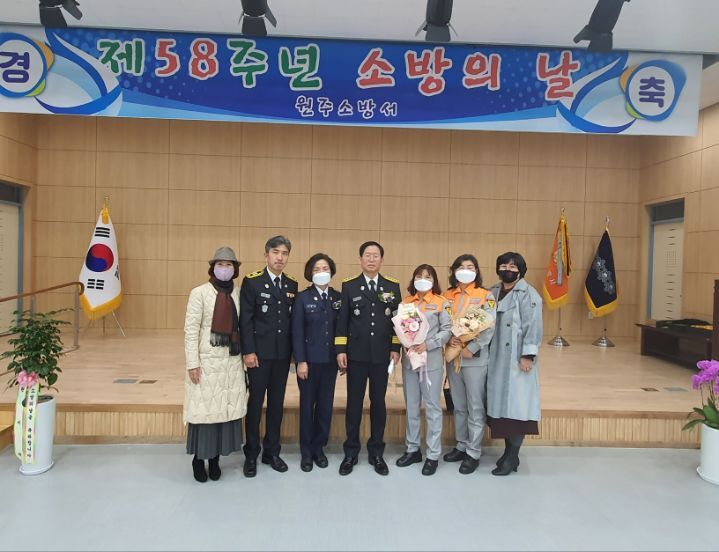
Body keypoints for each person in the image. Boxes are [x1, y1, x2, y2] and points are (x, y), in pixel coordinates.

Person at [335, 241, 401, 476]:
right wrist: (340, 350)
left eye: (376, 256)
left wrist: (395, 347)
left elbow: (397, 321)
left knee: (378, 403)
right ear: (360, 259)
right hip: (356, 355)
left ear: (381, 260)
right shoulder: (349, 285)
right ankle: (351, 452)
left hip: (382, 356)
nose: (371, 259)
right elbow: (342, 321)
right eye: (367, 255)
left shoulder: (392, 286)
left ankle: (376, 452)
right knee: (354, 403)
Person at [184, 246, 247, 483]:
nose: (224, 269)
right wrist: (193, 363)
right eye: (220, 264)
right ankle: (198, 459)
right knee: (204, 413)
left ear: (235, 269)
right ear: (213, 268)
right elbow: (191, 330)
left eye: (229, 265)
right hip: (206, 363)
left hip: (231, 362)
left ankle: (215, 460)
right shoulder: (199, 293)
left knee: (223, 411)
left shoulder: (239, 294)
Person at [240, 236, 298, 477]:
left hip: (282, 356)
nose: (280, 257)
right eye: (275, 252)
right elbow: (245, 320)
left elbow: (293, 323)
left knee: (276, 404)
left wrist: (294, 354)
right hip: (259, 356)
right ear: (266, 255)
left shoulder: (291, 284)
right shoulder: (252, 281)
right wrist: (248, 351)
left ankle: (272, 452)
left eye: (284, 253)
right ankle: (251, 454)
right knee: (255, 404)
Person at [488, 252, 543, 476]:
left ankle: (512, 456)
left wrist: (528, 355)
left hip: (517, 361)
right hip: (496, 359)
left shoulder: (529, 294)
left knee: (517, 410)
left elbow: (533, 325)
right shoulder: (492, 291)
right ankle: (508, 453)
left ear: (520, 270)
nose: (507, 269)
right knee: (503, 411)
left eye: (512, 266)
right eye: (503, 265)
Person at [442, 254, 497, 475]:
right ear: (454, 271)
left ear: (476, 271)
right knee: (459, 405)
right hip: (453, 357)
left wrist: (471, 348)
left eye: (470, 266)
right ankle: (462, 445)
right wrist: (449, 340)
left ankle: (473, 452)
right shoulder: (447, 295)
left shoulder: (485, 295)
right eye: (461, 266)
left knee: (475, 406)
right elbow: (441, 322)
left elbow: (489, 326)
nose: (465, 270)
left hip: (474, 359)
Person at [395, 264, 451, 476]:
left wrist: (428, 344)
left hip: (431, 363)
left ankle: (433, 454)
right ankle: (412, 449)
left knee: (432, 407)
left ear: (434, 280)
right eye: (419, 276)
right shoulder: (406, 302)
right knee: (411, 406)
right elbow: (400, 328)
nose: (423, 279)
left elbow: (447, 330)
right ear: (413, 279)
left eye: (428, 276)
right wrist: (406, 342)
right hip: (410, 362)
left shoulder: (441, 302)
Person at [291, 253, 342, 472]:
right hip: (309, 363)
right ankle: (306, 452)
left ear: (331, 272)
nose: (322, 273)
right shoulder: (302, 298)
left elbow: (342, 330)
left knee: (325, 406)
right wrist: (301, 361)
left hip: (330, 362)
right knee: (307, 406)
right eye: (317, 269)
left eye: (325, 269)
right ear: (310, 273)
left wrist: (342, 355)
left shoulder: (338, 298)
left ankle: (319, 448)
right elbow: (297, 332)